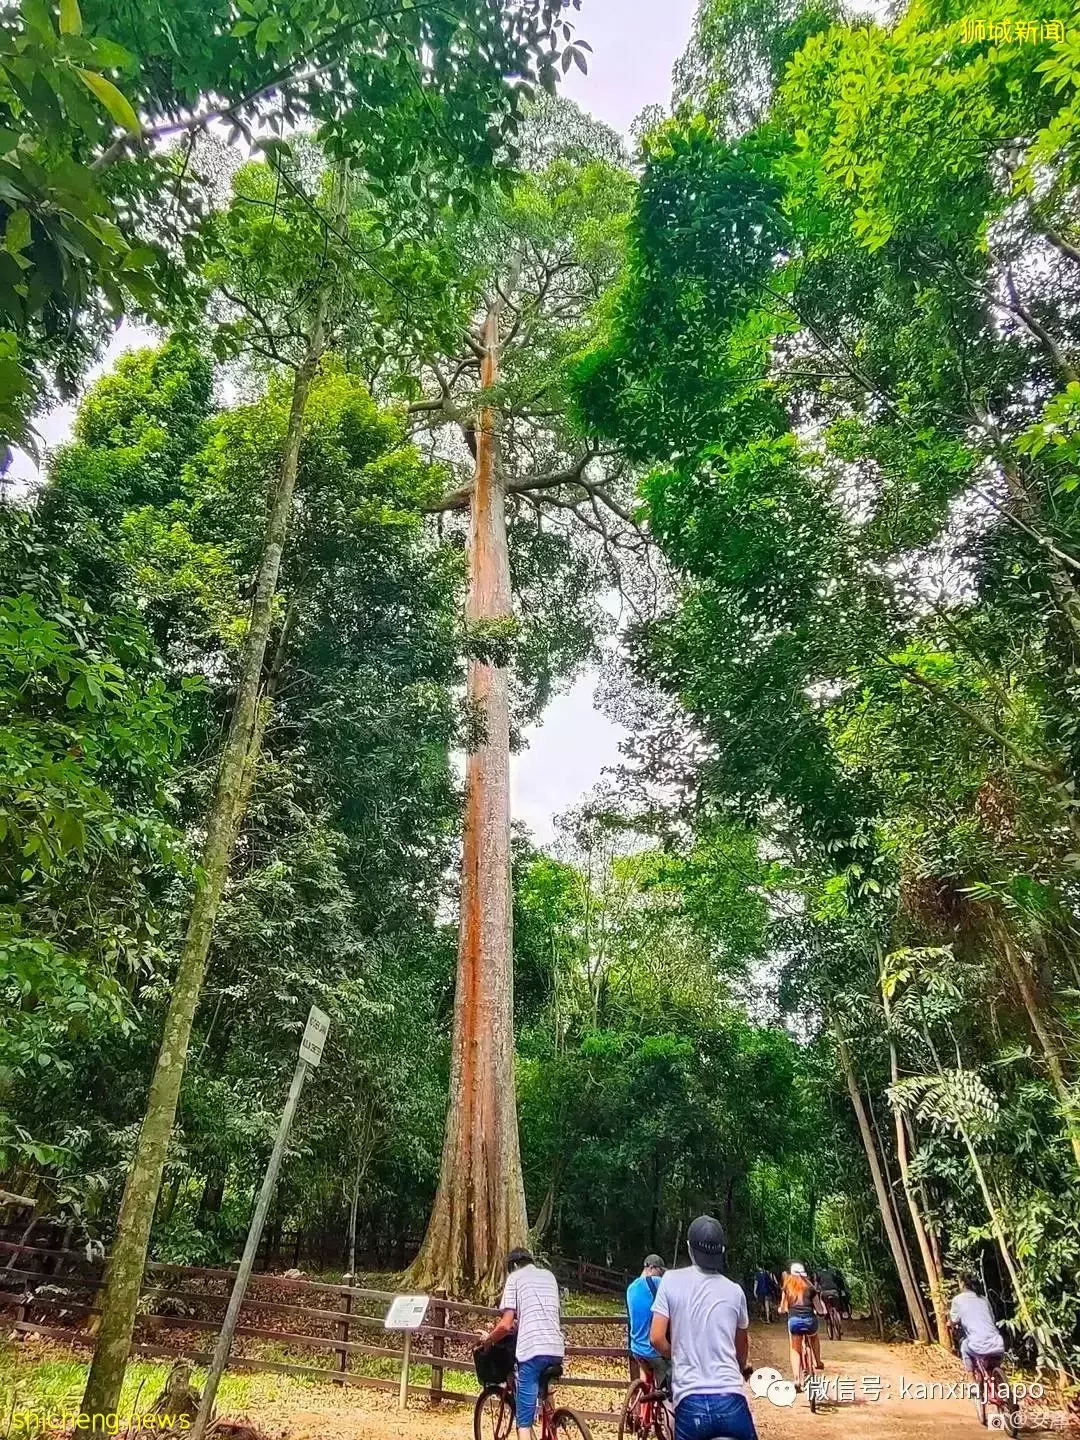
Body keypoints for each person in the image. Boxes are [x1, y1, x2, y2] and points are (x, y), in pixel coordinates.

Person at [648, 1215, 758, 1440]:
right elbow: (741, 1347)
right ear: (721, 1251)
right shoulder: (735, 1291)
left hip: (690, 1402)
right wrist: (740, 1366)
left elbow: (656, 1338)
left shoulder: (670, 1280)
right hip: (731, 1399)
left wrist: (678, 1355)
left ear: (689, 1248)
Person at [481, 1249, 566, 1440]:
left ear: (513, 1266)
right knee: (544, 1389)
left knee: (524, 1423)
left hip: (533, 1352)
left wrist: (489, 1340)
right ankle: (552, 1424)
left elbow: (506, 1324)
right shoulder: (548, 1276)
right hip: (555, 1349)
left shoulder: (515, 1278)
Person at [948, 1273, 1006, 1375]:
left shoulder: (958, 1300)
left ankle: (973, 1384)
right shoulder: (984, 1299)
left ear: (962, 1284)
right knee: (993, 1365)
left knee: (964, 1347)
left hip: (978, 1345)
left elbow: (954, 1320)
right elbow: (992, 1319)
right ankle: (998, 1379)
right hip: (998, 1343)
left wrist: (949, 1324)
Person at [626, 1254, 670, 1389]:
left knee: (646, 1381)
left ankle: (644, 1407)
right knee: (670, 1379)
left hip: (636, 1349)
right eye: (660, 1272)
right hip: (652, 1351)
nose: (661, 1276)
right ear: (651, 1268)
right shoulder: (655, 1282)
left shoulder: (630, 1288)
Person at [778, 1262, 822, 1388]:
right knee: (814, 1336)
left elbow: (782, 1307)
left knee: (795, 1348)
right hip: (809, 1322)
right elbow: (819, 1309)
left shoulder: (787, 1288)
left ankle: (797, 1379)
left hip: (794, 1322)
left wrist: (781, 1310)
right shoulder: (811, 1287)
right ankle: (817, 1361)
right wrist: (822, 1312)